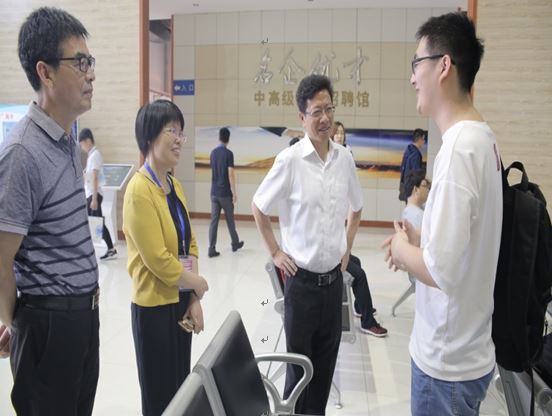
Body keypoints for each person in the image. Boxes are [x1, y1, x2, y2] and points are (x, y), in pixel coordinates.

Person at [382, 12, 502, 416]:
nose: (412, 78)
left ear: (444, 66)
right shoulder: (482, 139)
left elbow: (440, 271)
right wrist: (421, 240)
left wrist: (401, 248)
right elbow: (464, 247)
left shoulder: (457, 151)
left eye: (417, 64)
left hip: (446, 364)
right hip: (468, 351)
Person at [0, 7, 100, 415]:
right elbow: (1, 257)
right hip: (49, 326)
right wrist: (11, 321)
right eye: (80, 63)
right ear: (46, 73)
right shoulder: (22, 152)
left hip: (83, 318)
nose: (91, 74)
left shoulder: (67, 139)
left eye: (90, 62)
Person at [252, 74, 363, 415]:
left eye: (329, 109)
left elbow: (356, 207)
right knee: (299, 375)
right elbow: (259, 206)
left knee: (325, 372)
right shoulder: (290, 161)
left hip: (333, 285)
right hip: (300, 286)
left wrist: (346, 248)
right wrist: (275, 252)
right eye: (316, 112)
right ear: (302, 117)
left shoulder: (344, 159)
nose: (325, 118)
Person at [123, 99, 209, 416]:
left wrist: (193, 297)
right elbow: (157, 259)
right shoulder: (138, 190)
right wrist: (196, 283)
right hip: (153, 310)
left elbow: (189, 244)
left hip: (179, 301)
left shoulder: (174, 185)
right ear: (149, 135)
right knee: (159, 399)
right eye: (171, 131)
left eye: (180, 132)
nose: (178, 139)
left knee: (180, 390)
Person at [331, 121, 387, 337]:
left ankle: (360, 308)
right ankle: (367, 321)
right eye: (337, 133)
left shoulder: (345, 156)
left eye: (342, 133)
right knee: (359, 274)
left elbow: (354, 206)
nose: (340, 136)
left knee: (357, 262)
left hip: (335, 243)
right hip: (326, 256)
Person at [78, 128, 117, 260]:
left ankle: (109, 249)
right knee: (96, 223)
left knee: (96, 223)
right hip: (92, 195)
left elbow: (95, 178)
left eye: (82, 144)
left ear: (88, 141)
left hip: (93, 195)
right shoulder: (92, 155)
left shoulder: (95, 155)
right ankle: (110, 249)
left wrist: (94, 199)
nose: (82, 148)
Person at [208, 127, 243, 258]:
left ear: (219, 137)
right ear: (228, 139)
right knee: (230, 220)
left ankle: (211, 249)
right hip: (225, 193)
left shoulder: (213, 153)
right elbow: (230, 174)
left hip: (214, 193)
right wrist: (234, 192)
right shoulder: (229, 154)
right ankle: (235, 243)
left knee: (214, 222)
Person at [398, 128, 426, 201]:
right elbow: (416, 174)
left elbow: (402, 168)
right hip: (411, 190)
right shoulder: (416, 154)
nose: (424, 141)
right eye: (423, 139)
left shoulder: (408, 150)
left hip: (405, 186)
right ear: (419, 139)